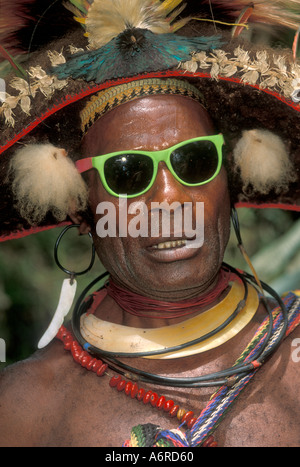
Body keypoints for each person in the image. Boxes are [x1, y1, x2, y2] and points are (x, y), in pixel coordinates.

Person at [0, 0, 299, 448]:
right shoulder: (23, 410)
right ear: (81, 208)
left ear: (229, 182)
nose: (169, 197)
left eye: (194, 161)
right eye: (127, 173)